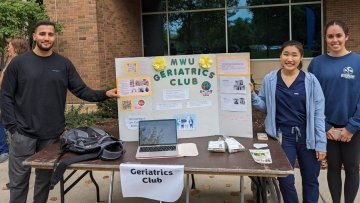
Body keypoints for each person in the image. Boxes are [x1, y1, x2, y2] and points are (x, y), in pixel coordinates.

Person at [0, 20, 118, 203]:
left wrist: (105, 93)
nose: (46, 38)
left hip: (51, 136)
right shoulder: (19, 64)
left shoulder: (63, 64)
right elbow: (6, 96)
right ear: (34, 36)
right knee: (18, 183)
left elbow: (81, 90)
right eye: (42, 34)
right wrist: (12, 127)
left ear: (54, 37)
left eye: (50, 34)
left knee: (44, 182)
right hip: (22, 134)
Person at [251, 40, 327, 203]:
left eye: (294, 55)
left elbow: (319, 115)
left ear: (301, 58)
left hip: (308, 136)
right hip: (282, 137)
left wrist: (321, 143)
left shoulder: (311, 81)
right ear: (280, 56)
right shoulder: (270, 79)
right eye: (286, 54)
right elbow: (265, 106)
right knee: (285, 180)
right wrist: (251, 95)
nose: (289, 59)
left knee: (310, 180)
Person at [308, 20, 360, 203]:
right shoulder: (317, 64)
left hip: (353, 129)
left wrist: (352, 127)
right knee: (333, 169)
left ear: (347, 37)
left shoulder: (358, 62)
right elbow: (311, 98)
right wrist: (325, 126)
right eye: (330, 36)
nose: (335, 40)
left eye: (339, 35)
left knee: (352, 169)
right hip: (327, 129)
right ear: (325, 38)